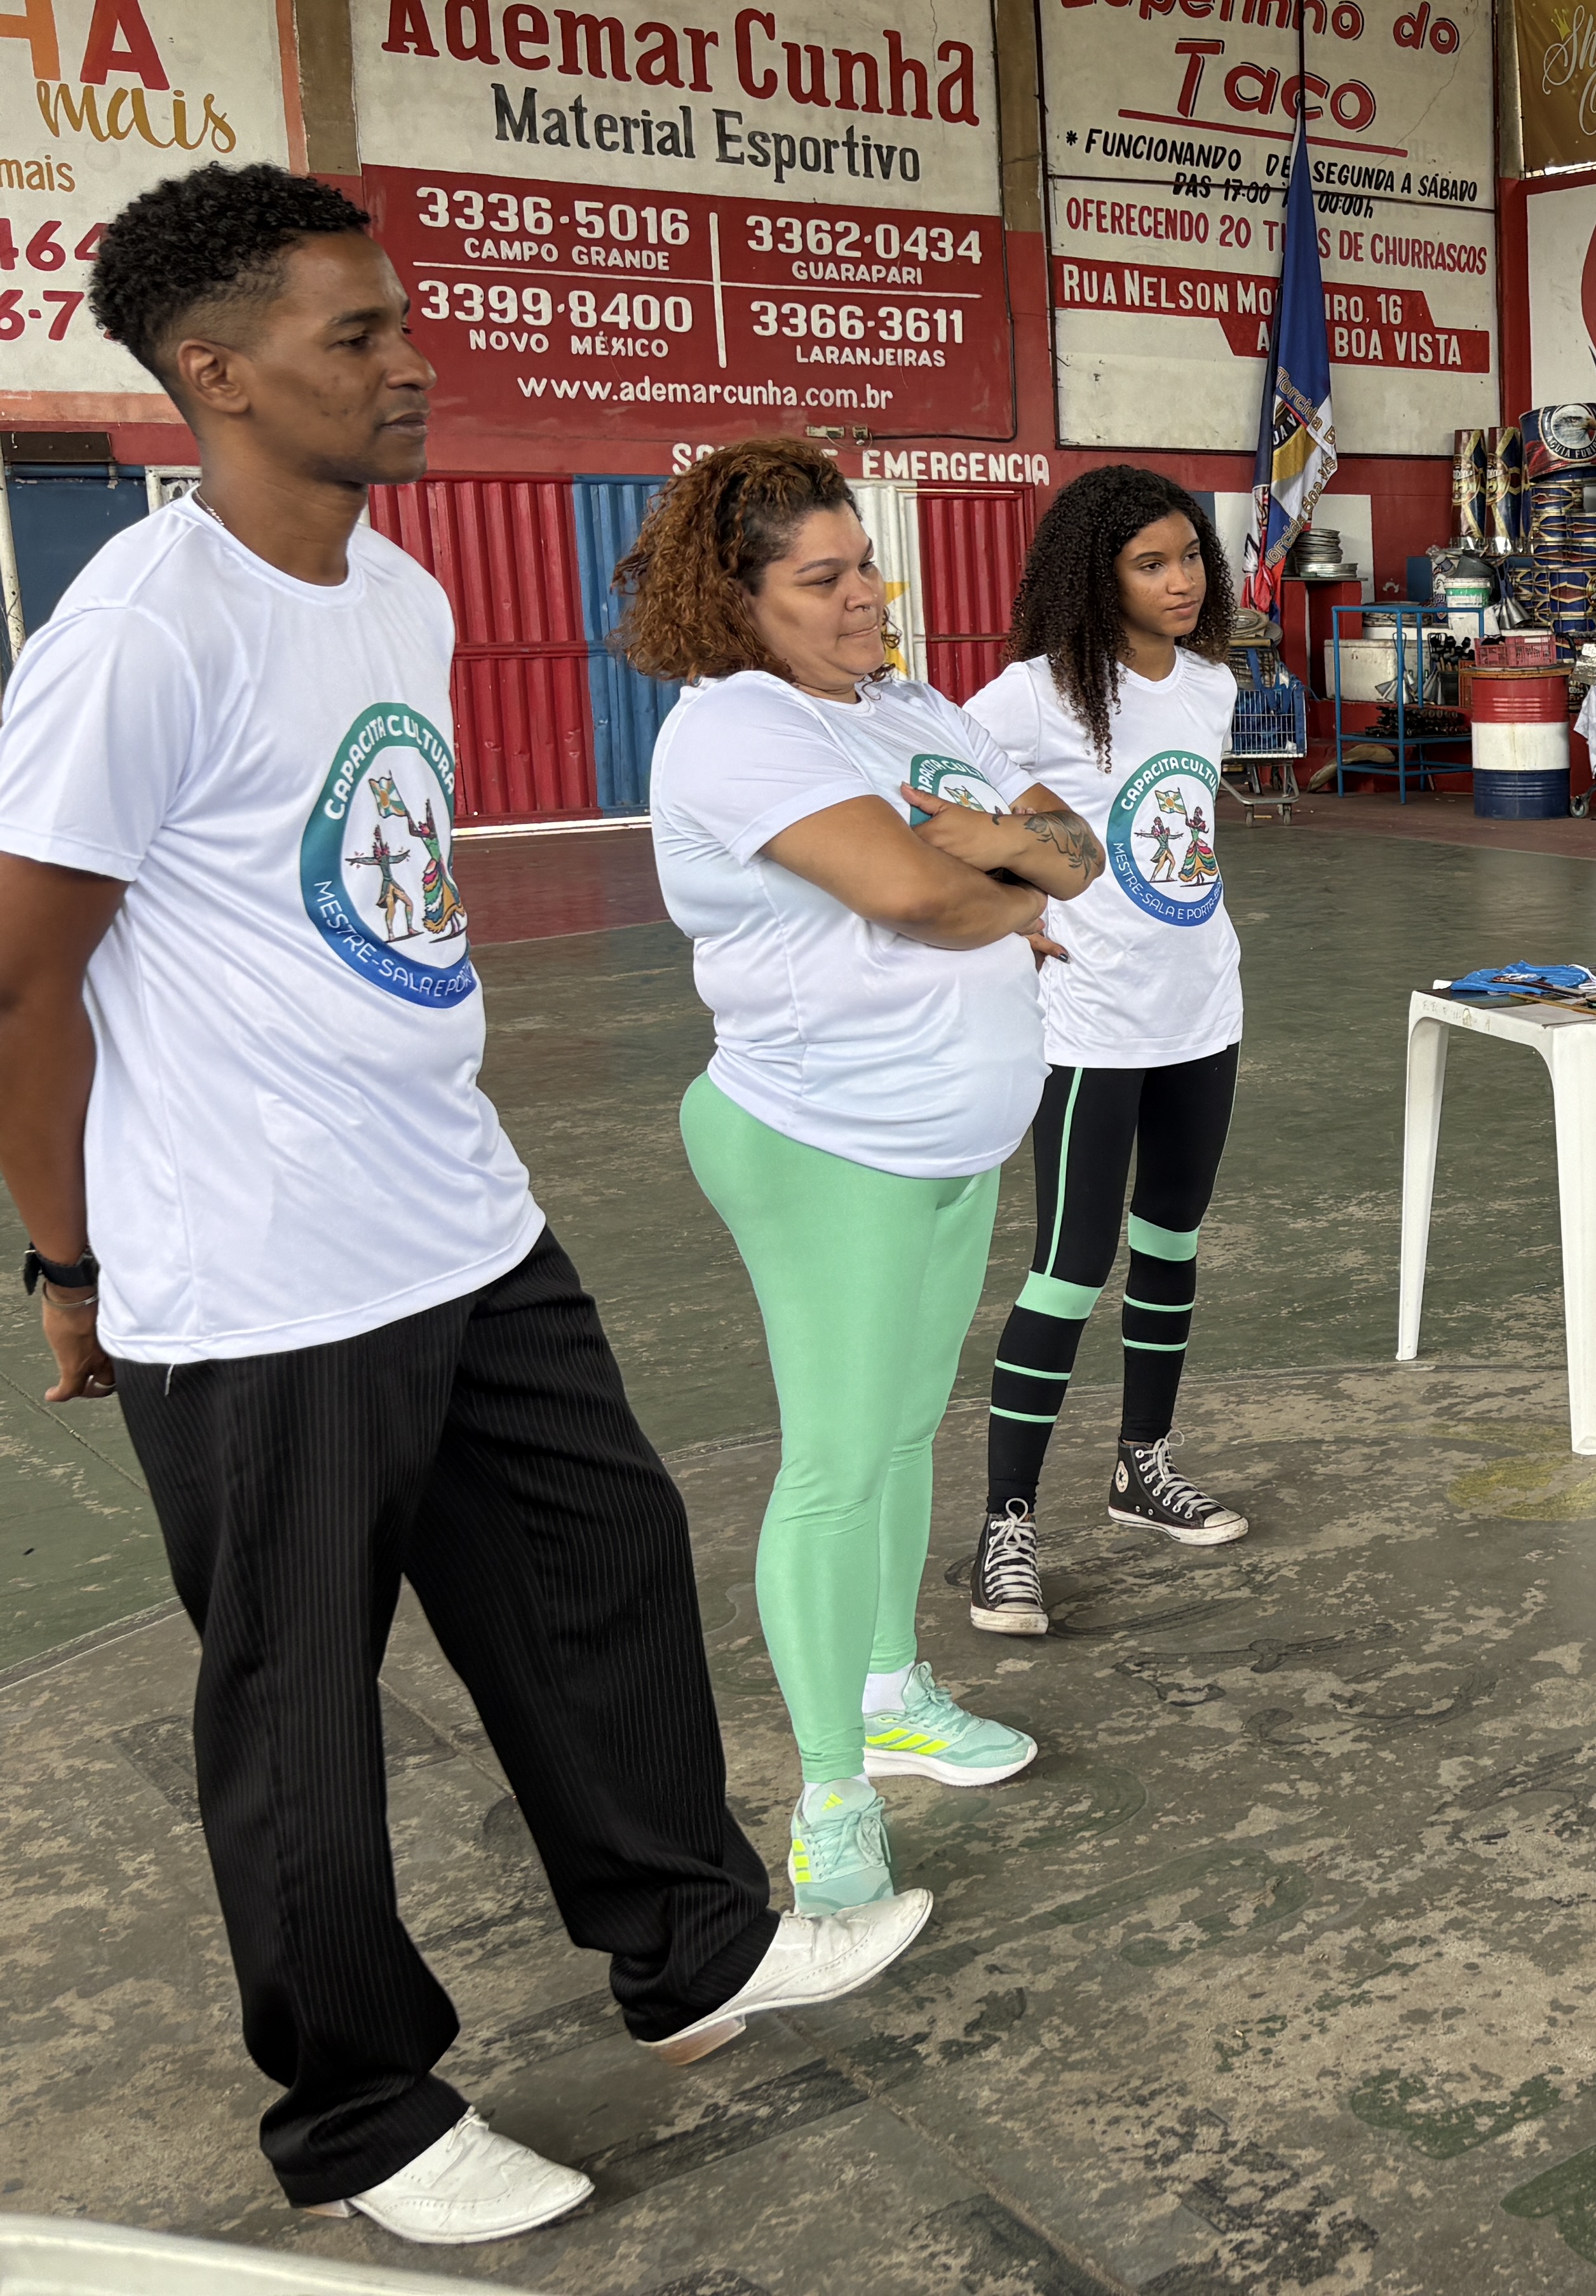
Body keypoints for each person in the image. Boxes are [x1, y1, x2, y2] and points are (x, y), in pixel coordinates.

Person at [0, 168, 923, 2247]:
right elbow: (21, 974)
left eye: (403, 320)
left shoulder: (395, 591)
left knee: (596, 1558)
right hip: (245, 1268)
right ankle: (364, 2115)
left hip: (463, 1219)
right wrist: (68, 1262)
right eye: (355, 336)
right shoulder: (141, 633)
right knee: (298, 1697)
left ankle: (688, 1952)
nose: (409, 362)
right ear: (214, 374)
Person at [632, 436, 1105, 1915]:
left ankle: (893, 1692)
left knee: (904, 1437)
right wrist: (989, 861)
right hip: (823, 1140)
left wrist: (1004, 853)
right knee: (837, 1465)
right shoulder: (735, 731)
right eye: (820, 578)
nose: (862, 597)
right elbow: (915, 897)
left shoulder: (907, 704)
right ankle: (828, 1793)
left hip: (950, 1139)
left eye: (865, 565)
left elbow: (1079, 854)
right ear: (736, 600)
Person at [958, 468, 1253, 1633]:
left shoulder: (1215, 687)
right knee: (1070, 1266)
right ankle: (1005, 1528)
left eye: (1190, 556)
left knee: (1169, 1242)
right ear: (1098, 574)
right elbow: (926, 784)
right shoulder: (1031, 696)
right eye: (1151, 562)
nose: (1180, 580)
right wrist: (1009, 906)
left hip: (1203, 1005)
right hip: (1091, 1021)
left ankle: (1143, 1464)